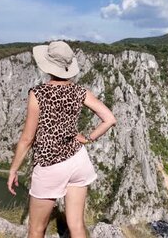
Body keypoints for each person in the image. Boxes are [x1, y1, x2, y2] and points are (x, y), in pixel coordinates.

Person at [7, 40, 117, 238]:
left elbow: (27, 139)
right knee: (76, 225)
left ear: (48, 66)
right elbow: (109, 119)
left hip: (50, 165)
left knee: (36, 229)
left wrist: (14, 169)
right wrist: (88, 138)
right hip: (78, 160)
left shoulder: (38, 94)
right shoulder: (80, 91)